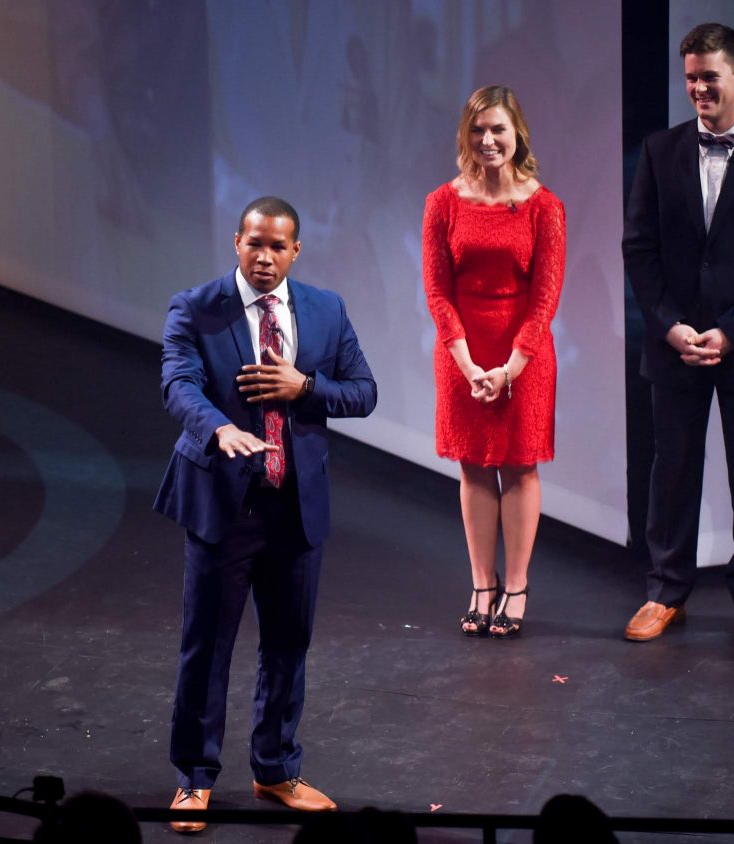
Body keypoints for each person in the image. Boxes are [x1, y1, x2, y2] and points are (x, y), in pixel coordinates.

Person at [154, 196, 377, 833]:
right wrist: (219, 428)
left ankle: (275, 768)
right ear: (236, 242)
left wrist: (303, 387)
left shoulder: (325, 310)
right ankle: (194, 777)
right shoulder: (195, 307)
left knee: (288, 644)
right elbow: (178, 384)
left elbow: (364, 392)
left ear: (296, 251)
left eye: (277, 246)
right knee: (208, 645)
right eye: (254, 243)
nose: (264, 256)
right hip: (225, 507)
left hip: (294, 509)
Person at [622, 23, 734, 646]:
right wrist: (670, 327)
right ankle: (664, 590)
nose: (698, 87)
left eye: (710, 76)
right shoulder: (658, 150)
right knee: (671, 472)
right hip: (673, 345)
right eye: (691, 77)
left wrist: (730, 332)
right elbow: (639, 249)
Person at [422, 85, 566, 639]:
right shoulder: (442, 202)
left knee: (520, 465)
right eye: (478, 130)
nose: (488, 140)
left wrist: (510, 367)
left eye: (498, 129)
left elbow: (545, 298)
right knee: (475, 466)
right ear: (466, 135)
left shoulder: (545, 206)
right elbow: (438, 292)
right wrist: (467, 364)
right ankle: (482, 584)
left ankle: (517, 586)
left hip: (523, 356)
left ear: (517, 135)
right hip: (462, 351)